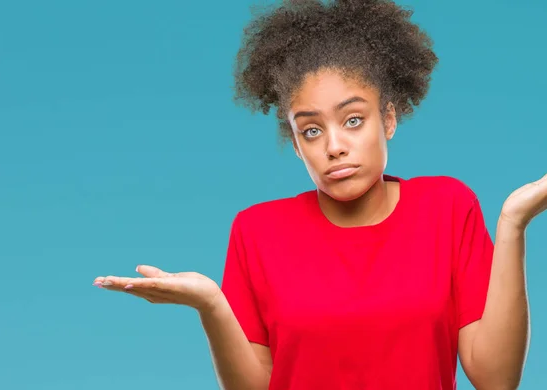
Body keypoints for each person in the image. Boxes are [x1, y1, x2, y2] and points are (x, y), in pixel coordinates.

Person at [93, 1, 546, 389]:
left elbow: (496, 379)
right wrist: (211, 303)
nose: (334, 146)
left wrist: (513, 223)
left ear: (388, 119)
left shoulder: (446, 208)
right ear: (295, 143)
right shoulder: (257, 231)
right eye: (311, 130)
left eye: (353, 120)